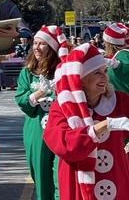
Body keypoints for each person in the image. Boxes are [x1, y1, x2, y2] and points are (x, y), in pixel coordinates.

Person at [43, 43, 129, 200]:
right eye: (97, 73)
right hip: (77, 182)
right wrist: (103, 126)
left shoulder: (120, 101)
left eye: (105, 71)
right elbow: (64, 146)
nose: (105, 77)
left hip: (115, 178)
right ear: (79, 80)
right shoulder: (63, 107)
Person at [14, 25, 68, 200]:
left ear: (52, 48)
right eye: (35, 43)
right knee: (40, 175)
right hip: (36, 130)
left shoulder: (64, 71)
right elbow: (21, 99)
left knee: (61, 175)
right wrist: (39, 94)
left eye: (42, 44)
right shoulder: (27, 73)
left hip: (62, 130)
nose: (36, 47)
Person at [103, 23, 129, 94]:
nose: (103, 44)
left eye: (104, 42)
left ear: (109, 43)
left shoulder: (123, 55)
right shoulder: (119, 55)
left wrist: (117, 66)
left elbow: (126, 68)